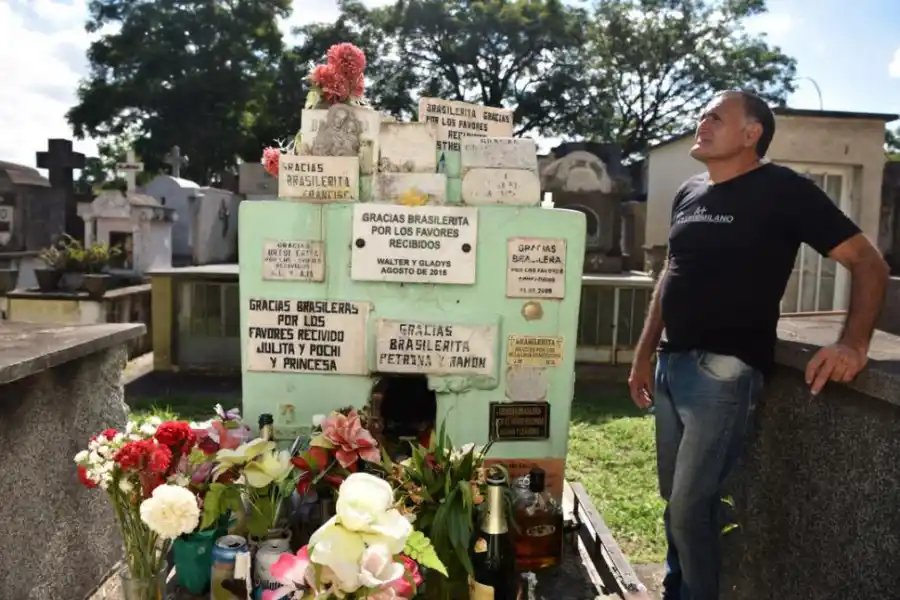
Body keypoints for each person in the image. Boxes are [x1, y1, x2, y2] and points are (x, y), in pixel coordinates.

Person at [628, 90, 889, 600]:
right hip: (671, 366)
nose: (701, 122)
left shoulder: (783, 190)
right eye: (701, 112)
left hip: (724, 372)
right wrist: (643, 355)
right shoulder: (689, 192)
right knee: (674, 500)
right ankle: (677, 587)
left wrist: (852, 345)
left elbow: (868, 262)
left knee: (689, 505)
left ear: (752, 135)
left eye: (716, 117)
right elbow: (670, 274)